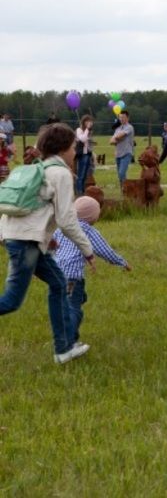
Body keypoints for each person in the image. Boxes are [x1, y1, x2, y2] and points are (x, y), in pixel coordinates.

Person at [0, 123, 96, 364]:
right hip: (25, 243)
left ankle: (63, 349)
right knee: (12, 300)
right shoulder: (61, 173)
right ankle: (63, 348)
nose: (75, 151)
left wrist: (46, 237)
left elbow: (35, 209)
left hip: (20, 237)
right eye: (74, 146)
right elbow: (67, 219)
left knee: (59, 283)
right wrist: (87, 249)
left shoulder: (38, 168)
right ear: (63, 148)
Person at [53, 196, 130, 346]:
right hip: (72, 276)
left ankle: (68, 335)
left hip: (56, 273)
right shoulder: (88, 230)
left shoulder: (62, 227)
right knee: (74, 309)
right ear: (92, 216)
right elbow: (104, 250)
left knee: (69, 301)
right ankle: (67, 341)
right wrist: (121, 262)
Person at [109, 110, 134, 186]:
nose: (121, 119)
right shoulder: (118, 128)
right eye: (120, 117)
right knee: (120, 176)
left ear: (128, 118)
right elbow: (111, 141)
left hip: (126, 153)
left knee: (121, 173)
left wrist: (117, 138)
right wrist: (117, 138)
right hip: (118, 154)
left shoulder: (129, 127)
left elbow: (120, 136)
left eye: (123, 117)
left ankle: (126, 188)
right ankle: (124, 190)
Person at [74, 115, 94, 195]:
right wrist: (87, 129)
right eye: (87, 121)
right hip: (82, 154)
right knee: (81, 174)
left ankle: (83, 191)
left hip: (88, 154)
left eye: (90, 121)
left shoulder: (89, 131)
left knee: (86, 175)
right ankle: (79, 192)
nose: (88, 123)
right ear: (83, 122)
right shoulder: (79, 130)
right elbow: (82, 139)